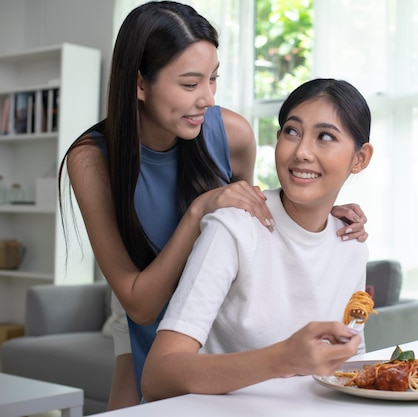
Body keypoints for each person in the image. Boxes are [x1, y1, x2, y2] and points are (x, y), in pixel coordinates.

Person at [58, 1, 368, 410]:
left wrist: (327, 214)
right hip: (140, 304)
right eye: (190, 84)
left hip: (208, 305)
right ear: (140, 84)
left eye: (213, 79)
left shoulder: (232, 133)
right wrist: (196, 213)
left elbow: (260, 219)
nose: (206, 98)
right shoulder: (92, 159)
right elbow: (140, 303)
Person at [142, 78, 374, 400]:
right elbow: (157, 377)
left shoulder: (350, 241)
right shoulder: (233, 228)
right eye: (292, 132)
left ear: (360, 158)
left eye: (325, 137)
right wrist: (282, 358)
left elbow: (349, 364)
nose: (302, 152)